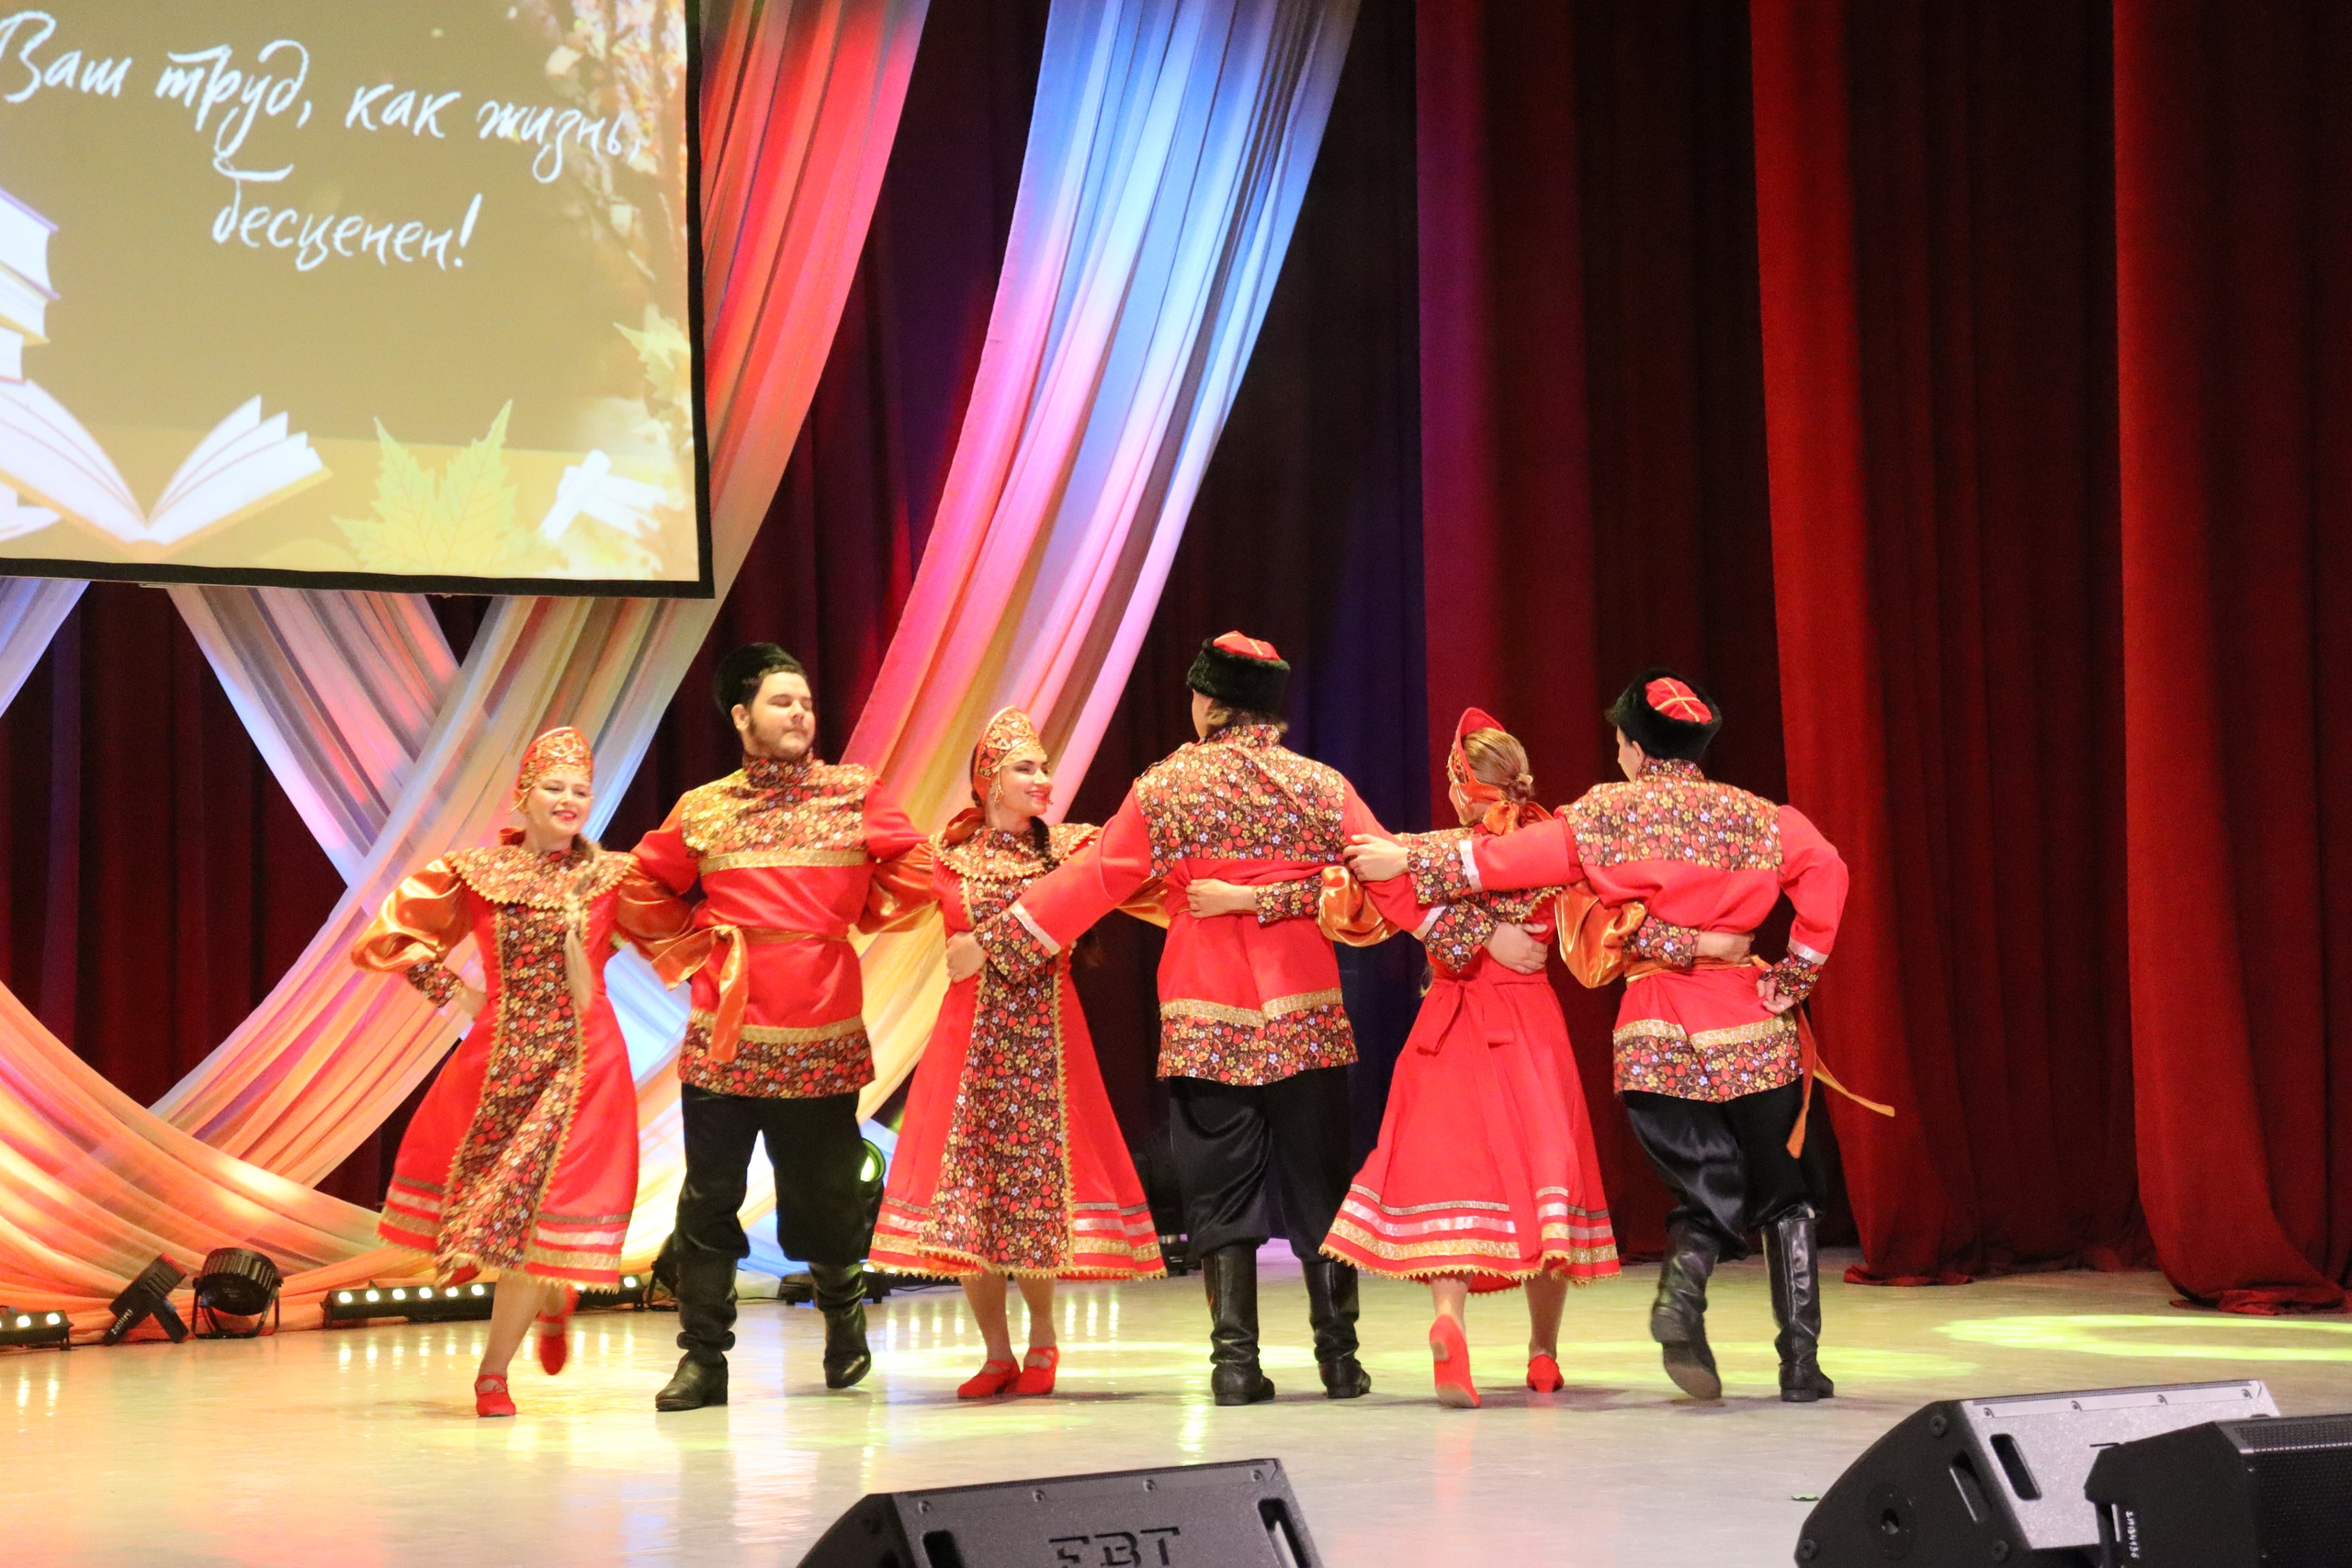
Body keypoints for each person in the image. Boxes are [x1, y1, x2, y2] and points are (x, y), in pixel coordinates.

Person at [1348, 671, 1860, 1404]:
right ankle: (1799, 1364)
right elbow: (1828, 869)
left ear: (1635, 747)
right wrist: (1798, 968)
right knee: (1785, 1192)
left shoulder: (1605, 816)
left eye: (1618, 739)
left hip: (1658, 1029)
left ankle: (1680, 1297)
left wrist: (1412, 859)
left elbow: (1506, 858)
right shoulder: (1762, 817)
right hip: (1750, 1023)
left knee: (1703, 1182)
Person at [967, 632, 1443, 1406]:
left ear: (1210, 702)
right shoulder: (1321, 784)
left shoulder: (1167, 786)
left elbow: (1099, 875)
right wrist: (1457, 934)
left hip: (1204, 1012)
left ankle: (1234, 1365)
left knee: (1219, 1191)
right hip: (1304, 1012)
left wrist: (1007, 936)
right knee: (1320, 1182)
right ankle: (1340, 1361)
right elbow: (1387, 873)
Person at [1196, 710, 1635, 1408]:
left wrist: (1444, 922)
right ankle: (1543, 1352)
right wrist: (1493, 934)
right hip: (1525, 1024)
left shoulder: (1429, 851)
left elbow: (1359, 885)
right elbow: (1597, 938)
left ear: (1461, 786)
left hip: (1449, 1024)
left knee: (1450, 1176)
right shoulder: (1551, 846)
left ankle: (1448, 1319)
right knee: (1542, 1174)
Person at [352, 727, 691, 1418]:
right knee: (499, 1216)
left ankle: (493, 1373)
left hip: (584, 1065)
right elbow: (390, 937)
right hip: (502, 1062)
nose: (569, 800)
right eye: (554, 787)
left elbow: (683, 938)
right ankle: (550, 1291)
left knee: (539, 1221)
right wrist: (457, 993)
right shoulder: (475, 873)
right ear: (523, 795)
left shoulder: (612, 876)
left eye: (580, 790)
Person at [628, 645, 934, 1412]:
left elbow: (919, 870)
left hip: (819, 1029)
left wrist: (853, 914)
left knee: (824, 1195)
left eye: (806, 701)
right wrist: (698, 944)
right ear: (742, 716)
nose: (800, 713)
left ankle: (843, 1314)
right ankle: (703, 1358)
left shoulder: (853, 793)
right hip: (724, 1036)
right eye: (781, 701)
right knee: (708, 1198)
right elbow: (641, 882)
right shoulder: (704, 807)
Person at [869, 708, 1168, 1397]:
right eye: (1025, 767)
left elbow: (1132, 864)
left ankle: (1043, 1339)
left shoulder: (1069, 849)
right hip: (967, 1041)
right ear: (989, 780)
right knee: (970, 1200)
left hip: (1046, 1039)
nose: (1043, 778)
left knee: (1035, 1189)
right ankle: (995, 1352)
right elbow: (872, 883)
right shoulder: (946, 858)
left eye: (1044, 766)